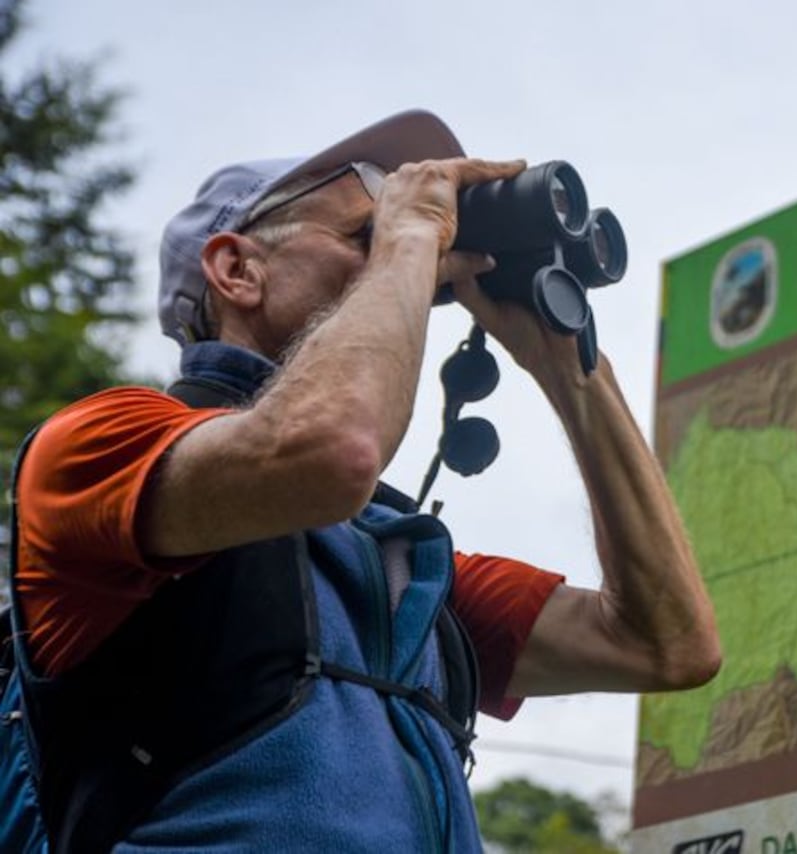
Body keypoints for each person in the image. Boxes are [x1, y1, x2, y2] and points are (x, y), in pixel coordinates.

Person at [9, 110, 720, 852]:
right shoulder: (95, 444)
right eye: (365, 234)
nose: (408, 259)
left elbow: (664, 644)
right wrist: (409, 234)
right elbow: (331, 454)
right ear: (237, 270)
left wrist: (574, 370)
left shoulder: (399, 572)